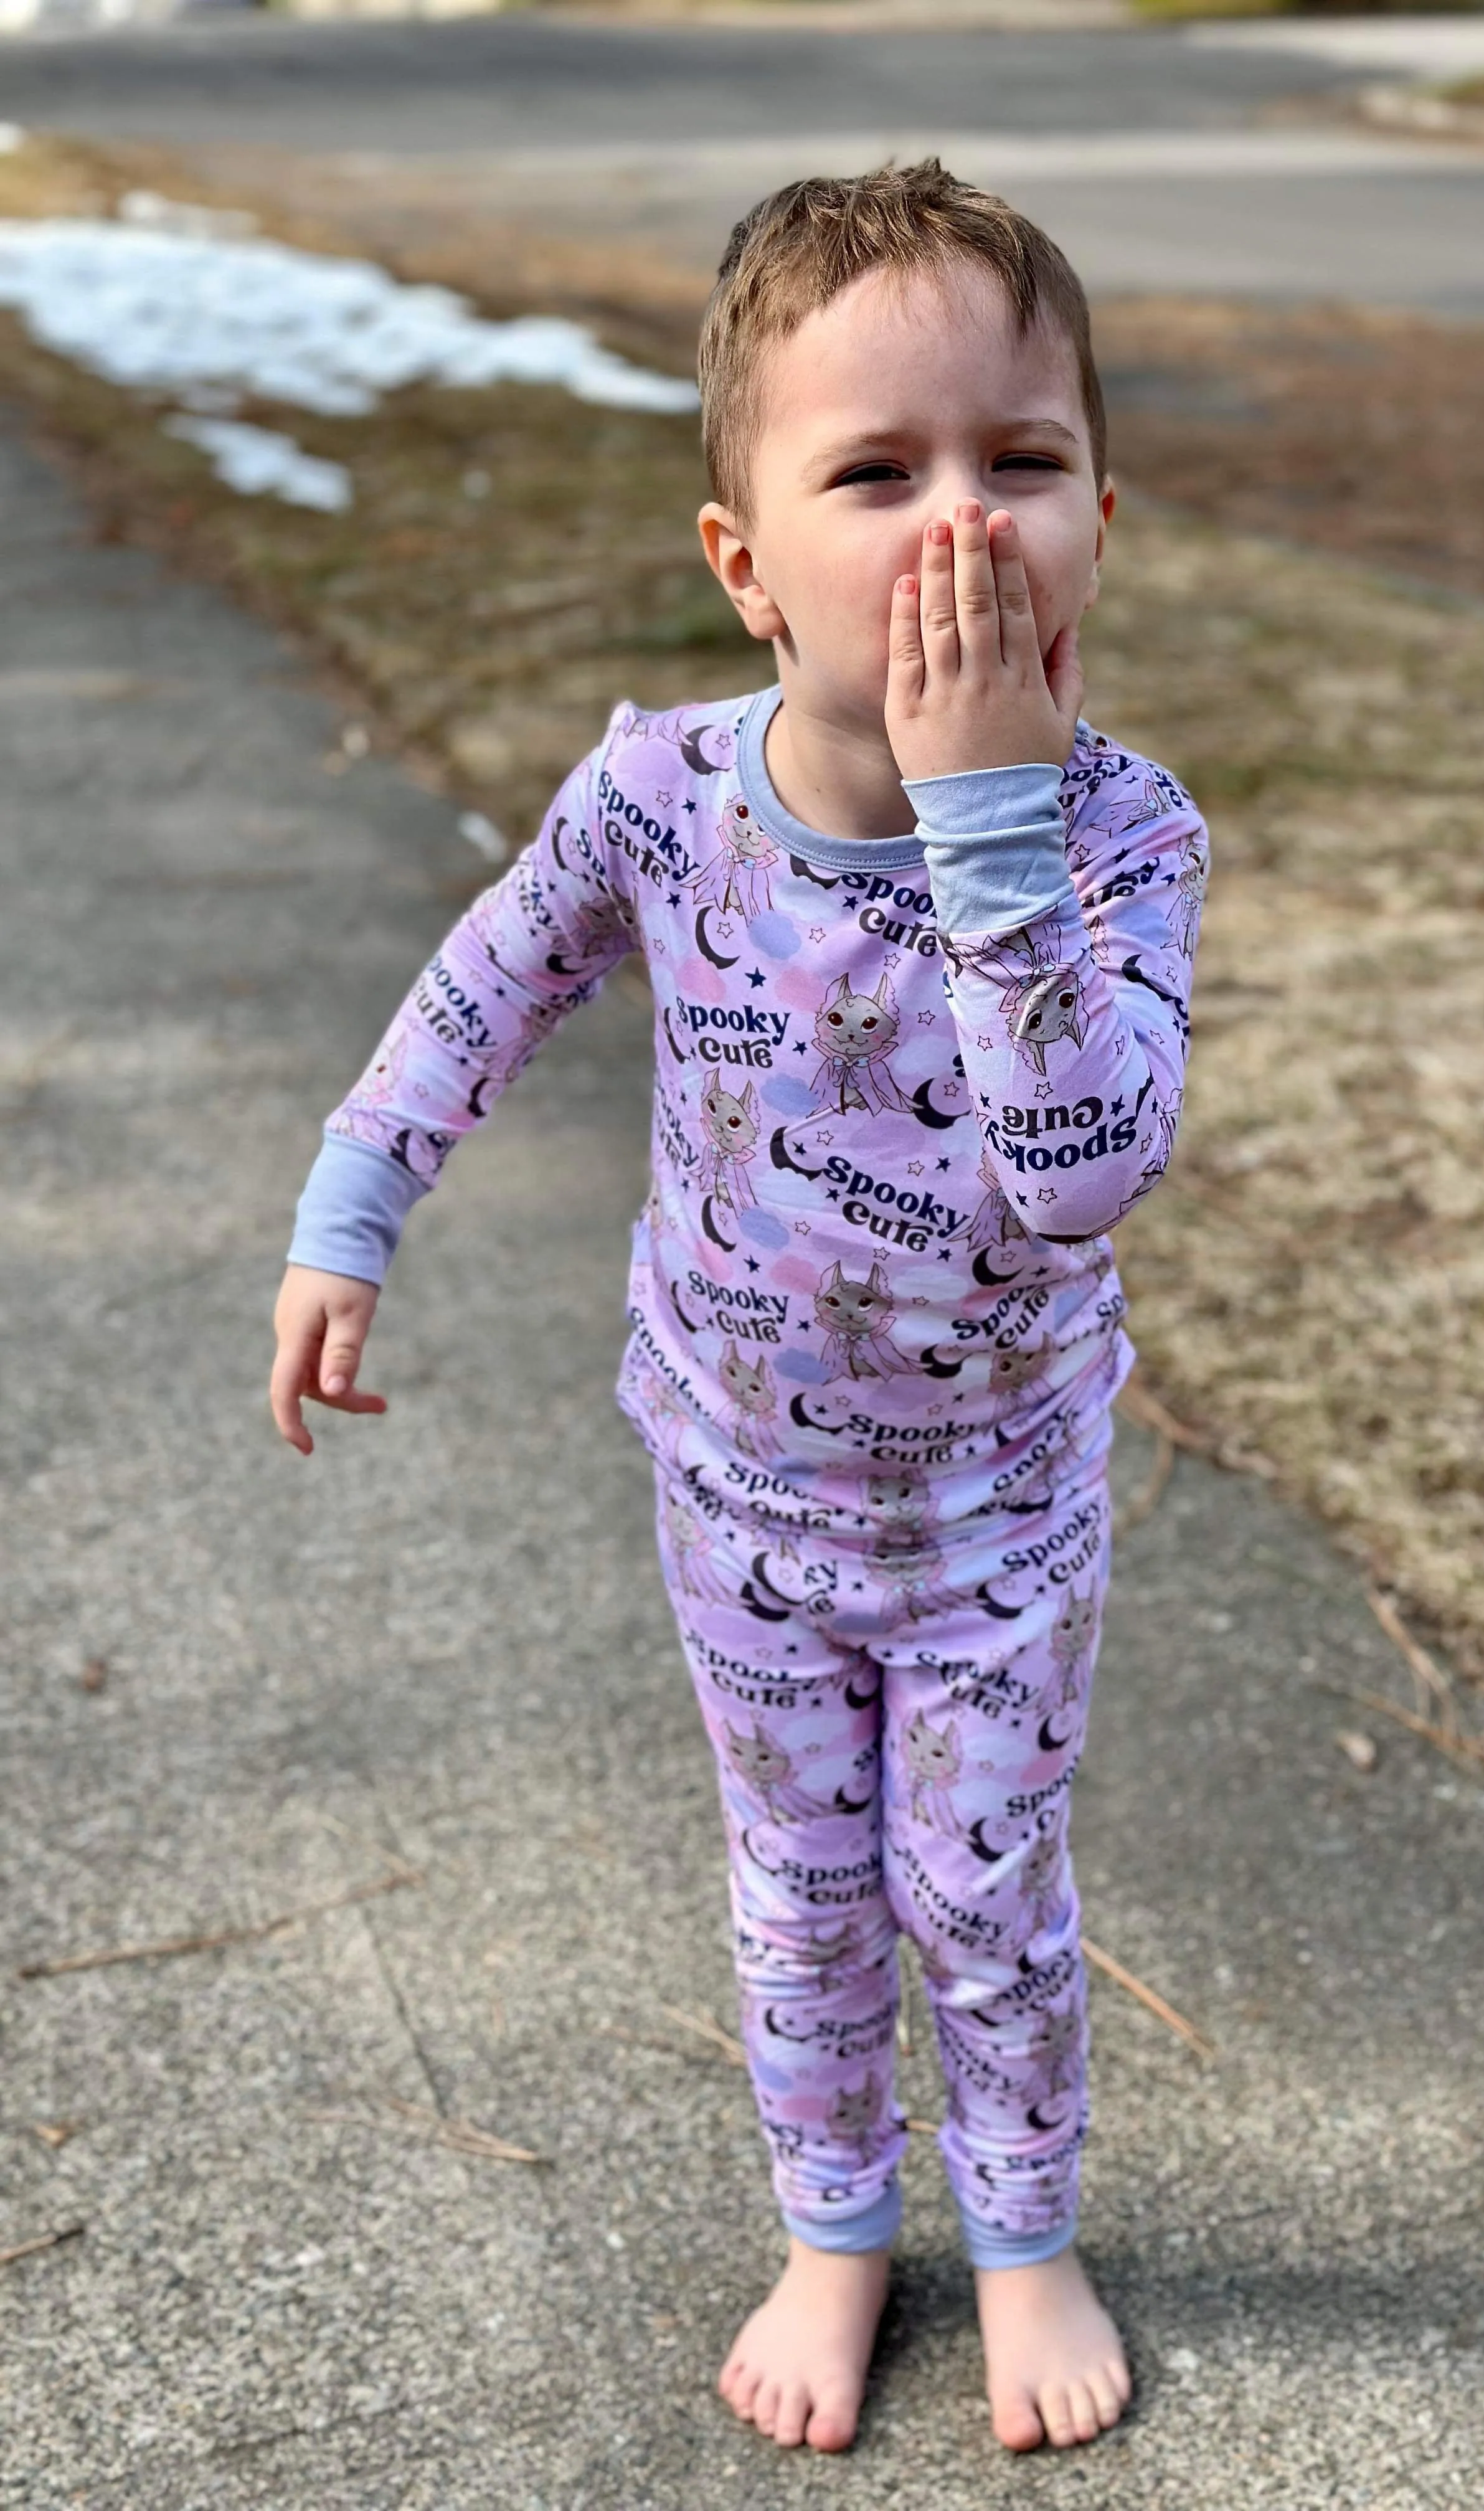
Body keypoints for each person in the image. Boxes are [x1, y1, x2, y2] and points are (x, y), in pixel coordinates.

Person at [268, 159, 1207, 2458]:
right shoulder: (663, 803)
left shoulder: (1122, 840)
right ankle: (833, 2223)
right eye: (876, 472)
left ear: (1105, 519)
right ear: (746, 561)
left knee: (982, 1905)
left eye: (1025, 463)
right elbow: (482, 987)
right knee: (802, 1898)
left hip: (998, 1515)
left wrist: (991, 828)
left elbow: (1082, 1182)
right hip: (739, 1484)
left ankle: (1024, 2233)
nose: (959, 528)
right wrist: (353, 1203)